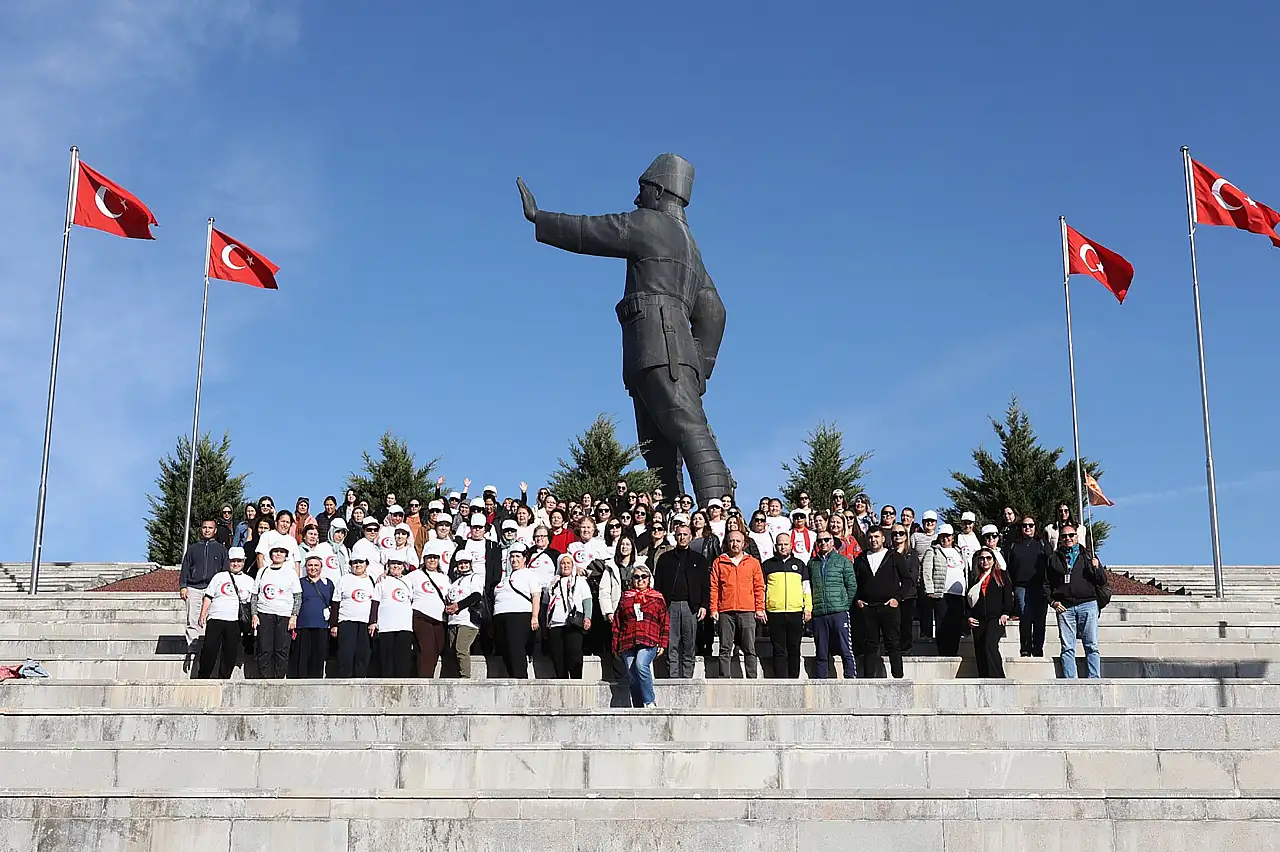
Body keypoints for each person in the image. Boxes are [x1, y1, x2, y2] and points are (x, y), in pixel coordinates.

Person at [1046, 524, 1107, 679]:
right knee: (1067, 647)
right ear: (1060, 539)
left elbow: (1101, 580)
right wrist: (1052, 602)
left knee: (1091, 645)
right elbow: (1046, 584)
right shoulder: (1053, 558)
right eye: (1065, 536)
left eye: (1071, 535)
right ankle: (1070, 681)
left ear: (1077, 537)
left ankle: (1094, 678)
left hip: (1088, 604)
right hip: (1065, 607)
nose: (1068, 538)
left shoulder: (1088, 556)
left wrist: (1097, 567)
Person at [852, 527, 912, 679]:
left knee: (893, 643)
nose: (873, 540)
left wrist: (897, 598)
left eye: (877, 536)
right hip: (868, 608)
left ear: (883, 539)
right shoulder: (860, 558)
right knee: (870, 646)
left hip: (889, 607)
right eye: (871, 537)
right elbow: (854, 582)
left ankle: (898, 678)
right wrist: (858, 599)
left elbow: (907, 580)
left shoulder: (894, 557)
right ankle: (868, 679)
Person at [652, 523, 710, 678]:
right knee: (672, 643)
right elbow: (658, 584)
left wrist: (704, 605)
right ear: (675, 536)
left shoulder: (700, 559)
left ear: (690, 537)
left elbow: (706, 585)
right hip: (670, 606)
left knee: (689, 643)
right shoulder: (665, 559)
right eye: (679, 534)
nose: (682, 537)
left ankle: (687, 677)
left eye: (685, 534)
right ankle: (673, 676)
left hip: (690, 607)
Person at [709, 530, 765, 679]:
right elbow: (714, 587)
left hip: (747, 610)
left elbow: (759, 586)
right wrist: (713, 608)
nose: (734, 544)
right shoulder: (719, 562)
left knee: (749, 648)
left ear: (744, 543)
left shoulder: (752, 562)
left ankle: (752, 678)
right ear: (727, 542)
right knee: (725, 647)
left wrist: (759, 608)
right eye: (732, 541)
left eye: (738, 541)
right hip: (725, 611)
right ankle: (724, 678)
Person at [612, 566, 670, 707]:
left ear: (649, 579)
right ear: (632, 580)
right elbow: (617, 623)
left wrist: (663, 643)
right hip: (627, 641)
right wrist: (615, 646)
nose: (640, 580)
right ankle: (638, 705)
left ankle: (649, 701)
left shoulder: (657, 598)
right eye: (637, 577)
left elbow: (665, 622)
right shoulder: (625, 597)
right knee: (632, 674)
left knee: (641, 665)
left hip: (649, 640)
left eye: (644, 576)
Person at [179, 519, 229, 672]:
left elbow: (224, 570)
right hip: (194, 587)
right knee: (192, 618)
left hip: (212, 589)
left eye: (210, 528)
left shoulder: (221, 549)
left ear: (215, 530)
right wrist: (183, 586)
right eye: (204, 528)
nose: (207, 530)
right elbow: (186, 567)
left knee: (210, 620)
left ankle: (208, 646)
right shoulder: (193, 548)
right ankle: (192, 648)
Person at [196, 546, 253, 679]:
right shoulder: (219, 577)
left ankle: (224, 678)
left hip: (235, 620)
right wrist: (203, 614)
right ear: (229, 561)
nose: (236, 564)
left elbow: (251, 602)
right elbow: (208, 596)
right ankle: (203, 676)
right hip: (216, 617)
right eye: (233, 561)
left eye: (239, 561)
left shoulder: (249, 581)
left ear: (244, 562)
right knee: (209, 649)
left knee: (230, 652)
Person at [808, 530, 858, 678]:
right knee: (821, 650)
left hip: (839, 612)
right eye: (820, 541)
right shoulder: (812, 564)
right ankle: (821, 679)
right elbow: (809, 587)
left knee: (845, 648)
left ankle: (850, 677)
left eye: (826, 540)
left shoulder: (843, 561)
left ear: (832, 541)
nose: (823, 543)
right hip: (819, 613)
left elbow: (852, 585)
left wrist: (844, 604)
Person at [761, 532, 811, 678]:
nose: (782, 547)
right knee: (778, 649)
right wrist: (762, 608)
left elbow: (806, 590)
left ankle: (794, 680)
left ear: (791, 545)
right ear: (775, 546)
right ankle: (780, 682)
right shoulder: (767, 565)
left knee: (794, 649)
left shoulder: (800, 565)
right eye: (780, 544)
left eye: (785, 544)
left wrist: (808, 608)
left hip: (795, 612)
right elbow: (762, 589)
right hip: (774, 612)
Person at [491, 545, 542, 678]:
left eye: (518, 556)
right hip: (501, 617)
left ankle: (521, 680)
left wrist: (535, 616)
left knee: (516, 649)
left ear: (525, 558)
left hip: (519, 616)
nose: (514, 559)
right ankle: (512, 677)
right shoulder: (506, 577)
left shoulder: (529, 574)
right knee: (506, 650)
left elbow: (536, 596)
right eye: (512, 556)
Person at [251, 545, 301, 679]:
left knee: (281, 650)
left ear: (286, 556)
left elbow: (297, 596)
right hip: (264, 613)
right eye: (276, 552)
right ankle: (264, 679)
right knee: (264, 648)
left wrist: (294, 616)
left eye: (282, 552)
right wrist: (254, 614)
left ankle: (279, 679)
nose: (278, 554)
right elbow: (255, 595)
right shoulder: (262, 571)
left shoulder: (291, 572)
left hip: (284, 614)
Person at [1005, 514, 1050, 658]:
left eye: (1031, 525)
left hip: (1039, 587)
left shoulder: (1042, 544)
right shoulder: (1014, 545)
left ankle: (1038, 649)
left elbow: (1052, 564)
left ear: (1035, 527)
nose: (1027, 528)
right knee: (1024, 617)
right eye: (1024, 525)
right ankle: (1025, 649)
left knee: (1039, 619)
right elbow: (1009, 567)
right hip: (1021, 587)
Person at [967, 547, 1015, 678]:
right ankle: (984, 678)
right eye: (981, 558)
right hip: (978, 619)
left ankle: (998, 678)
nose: (985, 561)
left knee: (990, 644)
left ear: (994, 560)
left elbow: (1008, 596)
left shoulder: (1002, 574)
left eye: (988, 558)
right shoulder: (974, 577)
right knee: (980, 650)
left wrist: (1006, 612)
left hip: (995, 618)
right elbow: (968, 600)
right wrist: (969, 616)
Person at [543, 552, 593, 678]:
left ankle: (576, 681)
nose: (565, 566)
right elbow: (545, 603)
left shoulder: (580, 581)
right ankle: (562, 680)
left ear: (573, 565)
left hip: (574, 624)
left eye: (568, 563)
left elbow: (587, 600)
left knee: (574, 654)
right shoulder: (552, 582)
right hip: (555, 623)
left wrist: (588, 617)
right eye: (563, 563)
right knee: (558, 656)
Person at [922, 524, 968, 656]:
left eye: (948, 536)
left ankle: (953, 652)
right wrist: (930, 590)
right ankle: (943, 653)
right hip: (941, 594)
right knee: (942, 625)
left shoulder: (959, 551)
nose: (945, 539)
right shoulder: (933, 551)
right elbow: (926, 571)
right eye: (942, 536)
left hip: (959, 594)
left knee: (956, 624)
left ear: (953, 537)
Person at [407, 541, 450, 677]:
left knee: (438, 647)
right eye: (429, 557)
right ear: (424, 559)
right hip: (421, 615)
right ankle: (424, 682)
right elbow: (400, 585)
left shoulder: (445, 578)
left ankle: (422, 675)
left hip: (440, 618)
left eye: (435, 557)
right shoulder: (415, 576)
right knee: (427, 647)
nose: (432, 560)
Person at [443, 551, 486, 678]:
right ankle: (454, 676)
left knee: (461, 648)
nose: (463, 565)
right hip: (453, 620)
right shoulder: (454, 582)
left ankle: (465, 677)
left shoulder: (475, 577)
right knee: (451, 651)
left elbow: (476, 596)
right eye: (461, 563)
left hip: (468, 620)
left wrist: (458, 606)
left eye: (466, 563)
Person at [331, 556, 375, 677]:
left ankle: (360, 681)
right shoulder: (344, 579)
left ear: (366, 564)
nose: (358, 565)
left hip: (365, 622)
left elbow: (375, 602)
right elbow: (335, 603)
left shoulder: (371, 580)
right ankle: (344, 682)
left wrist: (373, 621)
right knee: (346, 653)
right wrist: (334, 625)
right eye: (355, 563)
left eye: (361, 562)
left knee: (362, 654)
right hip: (346, 621)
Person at [372, 558, 415, 677]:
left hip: (405, 625)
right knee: (387, 659)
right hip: (386, 625)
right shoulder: (382, 581)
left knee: (403, 658)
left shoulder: (409, 580)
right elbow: (375, 601)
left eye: (399, 564)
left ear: (403, 566)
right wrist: (373, 621)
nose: (396, 566)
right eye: (393, 564)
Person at [295, 555, 335, 678]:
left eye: (316, 565)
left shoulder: (328, 583)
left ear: (321, 567)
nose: (313, 568)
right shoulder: (300, 583)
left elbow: (333, 604)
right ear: (306, 567)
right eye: (310, 565)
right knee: (302, 658)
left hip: (322, 625)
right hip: (303, 625)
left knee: (318, 657)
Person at [890, 524, 921, 654]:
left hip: (908, 595)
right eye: (894, 534)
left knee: (906, 625)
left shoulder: (912, 554)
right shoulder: (888, 554)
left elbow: (913, 575)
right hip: (891, 595)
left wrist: (902, 588)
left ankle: (906, 650)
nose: (897, 536)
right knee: (892, 625)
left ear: (906, 536)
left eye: (901, 533)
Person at [256, 510, 300, 576]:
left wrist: (297, 580)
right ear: (276, 522)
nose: (285, 524)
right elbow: (260, 557)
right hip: (270, 576)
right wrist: (262, 576)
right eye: (282, 521)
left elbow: (297, 562)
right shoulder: (267, 535)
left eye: (287, 522)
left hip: (288, 577)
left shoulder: (292, 540)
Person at [350, 518, 385, 582]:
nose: (373, 532)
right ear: (364, 530)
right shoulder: (359, 545)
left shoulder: (376, 546)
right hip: (368, 582)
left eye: (375, 530)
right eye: (369, 530)